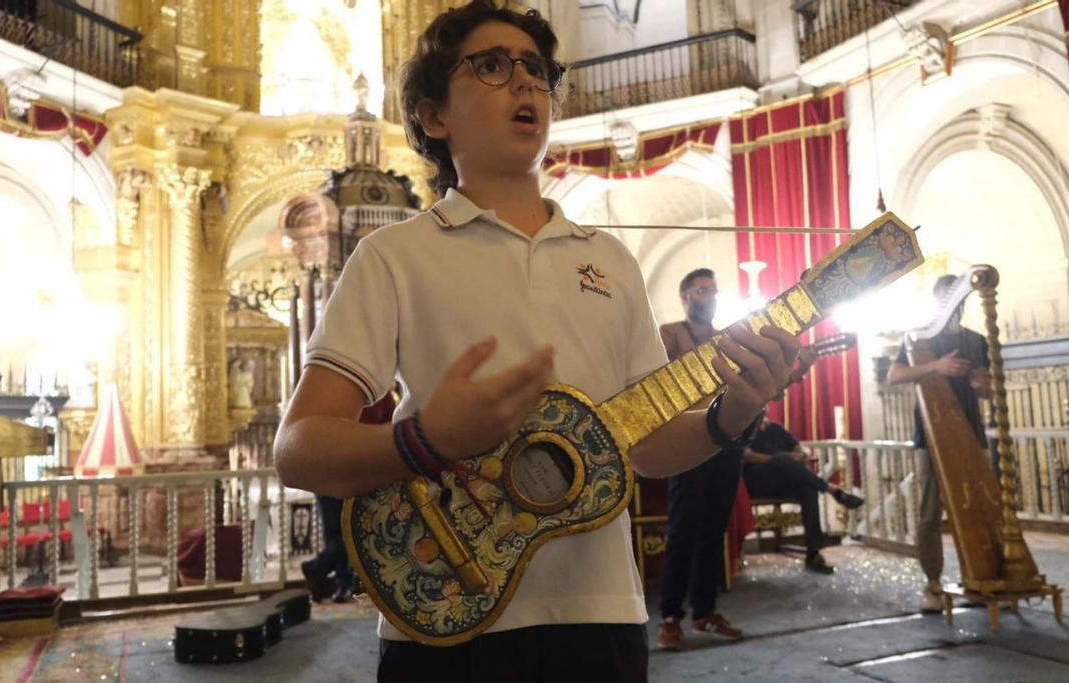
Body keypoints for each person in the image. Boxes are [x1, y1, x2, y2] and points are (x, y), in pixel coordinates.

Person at [273, 3, 801, 680]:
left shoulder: (609, 259)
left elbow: (645, 445)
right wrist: (425, 437)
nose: (524, 83)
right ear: (435, 117)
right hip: (445, 609)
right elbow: (297, 449)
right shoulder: (392, 256)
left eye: (535, 69)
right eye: (490, 66)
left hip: (601, 617)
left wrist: (733, 415)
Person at [886, 274, 991, 613]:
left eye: (957, 301)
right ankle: (932, 583)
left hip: (970, 433)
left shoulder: (977, 341)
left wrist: (979, 383)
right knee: (930, 512)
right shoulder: (917, 339)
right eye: (947, 301)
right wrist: (938, 366)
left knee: (978, 507)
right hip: (930, 436)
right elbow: (895, 376)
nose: (953, 308)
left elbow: (989, 388)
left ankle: (981, 576)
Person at [655, 268, 747, 650]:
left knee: (714, 531)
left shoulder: (727, 338)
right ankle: (671, 616)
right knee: (683, 530)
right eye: (701, 290)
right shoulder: (669, 334)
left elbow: (740, 388)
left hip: (725, 443)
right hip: (685, 442)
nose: (708, 295)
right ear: (685, 296)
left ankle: (704, 613)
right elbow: (658, 380)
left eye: (713, 290)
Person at [301, 391, 396, 603]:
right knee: (337, 532)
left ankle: (324, 572)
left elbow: (392, 427)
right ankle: (338, 580)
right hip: (328, 469)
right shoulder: (332, 392)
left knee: (351, 531)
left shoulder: (383, 396)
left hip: (360, 472)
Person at [741, 416, 864, 574]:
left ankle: (813, 553)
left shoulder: (775, 428)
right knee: (782, 458)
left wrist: (802, 454)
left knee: (808, 490)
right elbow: (746, 455)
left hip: (783, 481)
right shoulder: (743, 428)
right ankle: (832, 490)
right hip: (757, 482)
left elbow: (797, 447)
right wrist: (778, 460)